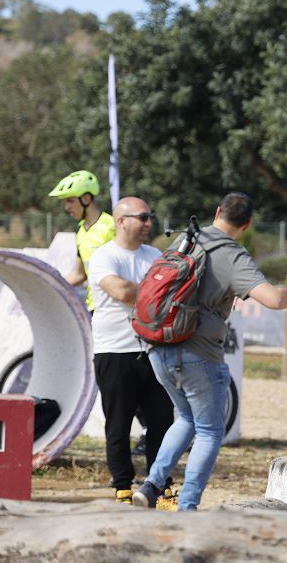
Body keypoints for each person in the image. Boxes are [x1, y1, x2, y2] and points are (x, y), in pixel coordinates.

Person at [133, 192, 287, 511]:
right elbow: (273, 299)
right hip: (197, 354)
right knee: (210, 431)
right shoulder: (232, 255)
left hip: (158, 345)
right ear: (247, 225)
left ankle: (151, 484)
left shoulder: (184, 240)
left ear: (217, 212)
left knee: (184, 417)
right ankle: (188, 506)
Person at [87, 196, 174, 504]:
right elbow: (122, 292)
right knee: (118, 423)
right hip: (115, 351)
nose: (149, 223)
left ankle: (158, 485)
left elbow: (175, 289)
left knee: (162, 421)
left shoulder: (155, 254)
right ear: (121, 221)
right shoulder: (103, 256)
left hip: (154, 350)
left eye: (151, 217)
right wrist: (156, 287)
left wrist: (156, 288)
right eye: (143, 217)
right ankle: (122, 484)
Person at [49, 169, 116, 313]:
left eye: (70, 201)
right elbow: (79, 274)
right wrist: (51, 286)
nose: (67, 207)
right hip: (94, 307)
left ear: (86, 199)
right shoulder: (81, 232)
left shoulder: (111, 226)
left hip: (114, 308)